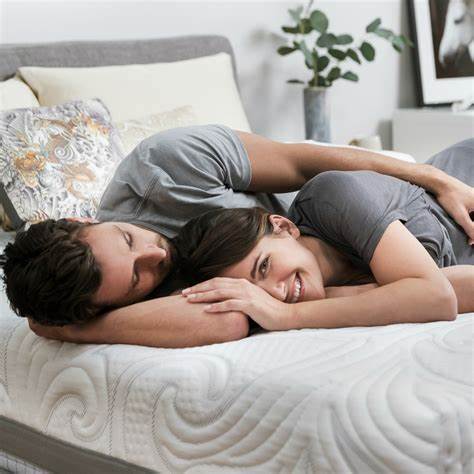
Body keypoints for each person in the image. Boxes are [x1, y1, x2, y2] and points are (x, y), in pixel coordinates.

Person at [1, 127, 473, 347]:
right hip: (348, 254)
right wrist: (79, 328)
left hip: (352, 216)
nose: (155, 254)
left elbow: (304, 161)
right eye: (136, 280)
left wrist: (434, 178)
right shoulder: (107, 290)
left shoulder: (168, 166)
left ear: (85, 221)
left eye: (127, 238)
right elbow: (225, 321)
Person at [174, 139, 474, 331]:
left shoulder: (331, 197)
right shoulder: (323, 290)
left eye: (264, 266)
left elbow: (436, 297)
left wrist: (288, 317)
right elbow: (454, 289)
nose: (276, 295)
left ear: (284, 227)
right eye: (259, 293)